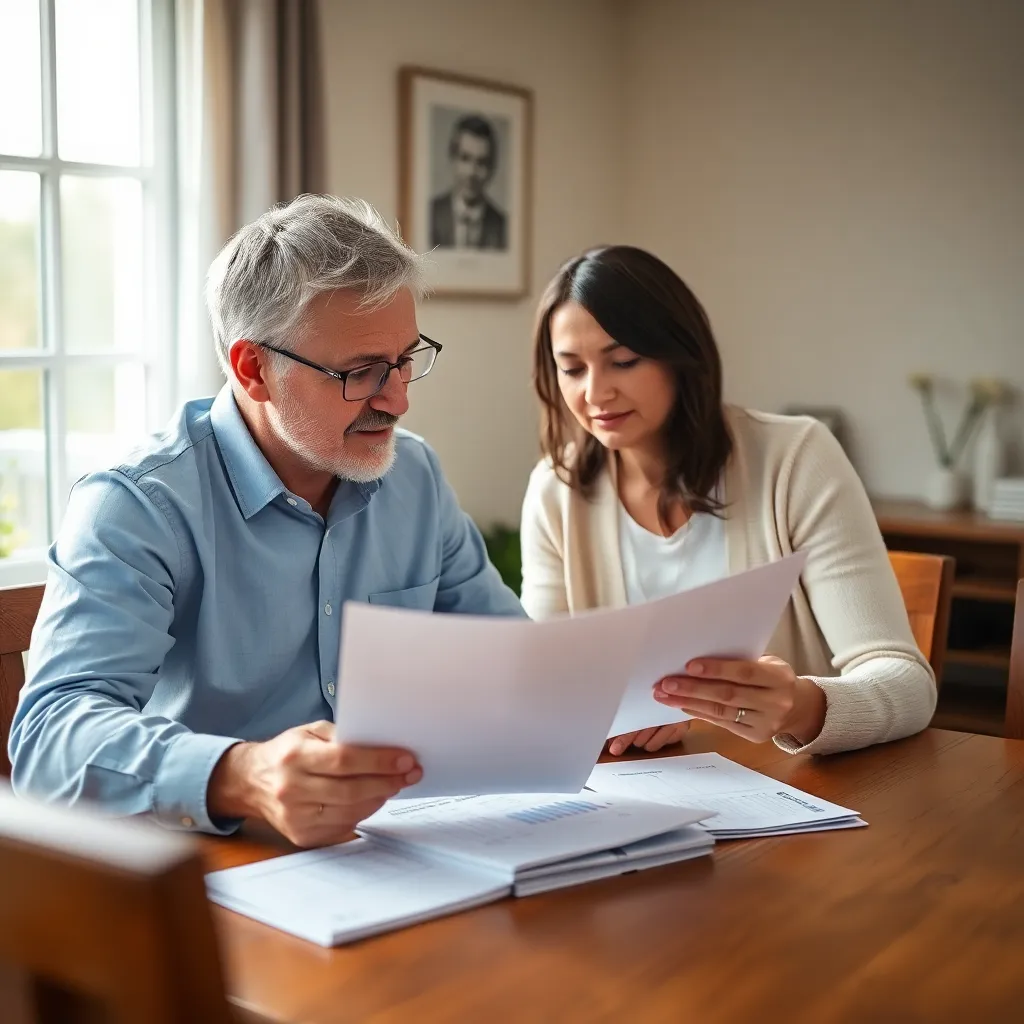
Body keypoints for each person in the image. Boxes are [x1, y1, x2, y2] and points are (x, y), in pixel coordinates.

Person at [10, 194, 525, 846]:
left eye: (404, 361)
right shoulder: (137, 506)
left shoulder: (413, 476)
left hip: (400, 846)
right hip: (211, 865)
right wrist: (244, 774)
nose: (398, 400)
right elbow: (49, 738)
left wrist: (623, 712)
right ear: (254, 369)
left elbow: (512, 660)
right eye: (363, 372)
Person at [520, 245, 936, 758]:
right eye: (572, 369)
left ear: (680, 355)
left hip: (795, 789)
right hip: (637, 786)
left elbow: (908, 685)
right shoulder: (557, 490)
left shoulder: (795, 460)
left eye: (623, 361)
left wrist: (799, 707)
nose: (595, 393)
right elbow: (545, 680)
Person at [430, 114, 507, 250]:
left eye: (481, 163)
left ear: (491, 169)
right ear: (452, 160)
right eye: (465, 159)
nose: (472, 172)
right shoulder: (431, 215)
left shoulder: (502, 226)